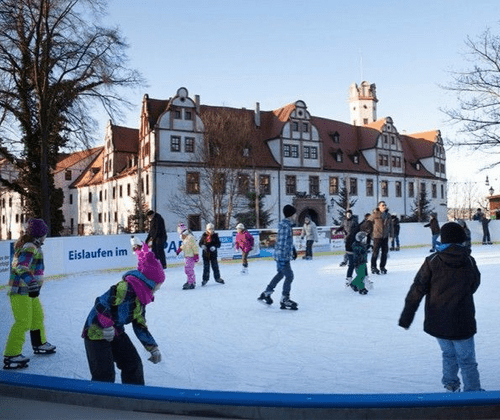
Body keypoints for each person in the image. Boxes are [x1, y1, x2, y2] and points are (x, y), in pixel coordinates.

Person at [398, 222, 483, 392]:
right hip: (463, 320)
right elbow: (474, 284)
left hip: (438, 319)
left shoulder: (432, 261)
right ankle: (473, 393)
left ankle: (451, 385)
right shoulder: (468, 260)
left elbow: (417, 289)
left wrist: (406, 317)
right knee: (467, 360)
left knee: (448, 354)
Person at [82, 243, 164, 384]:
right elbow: (101, 303)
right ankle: (101, 397)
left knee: (133, 364)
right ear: (148, 282)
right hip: (96, 331)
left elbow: (139, 324)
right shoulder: (124, 289)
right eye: (157, 285)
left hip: (116, 331)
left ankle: (134, 394)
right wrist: (106, 325)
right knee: (104, 374)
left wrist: (152, 347)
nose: (158, 288)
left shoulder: (141, 298)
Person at [3, 219, 56, 369]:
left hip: (29, 290)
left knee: (37, 317)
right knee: (23, 321)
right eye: (44, 233)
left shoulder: (33, 246)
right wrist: (31, 282)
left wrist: (33, 286)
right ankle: (11, 354)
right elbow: (20, 267)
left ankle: (39, 344)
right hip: (20, 290)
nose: (46, 236)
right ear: (40, 235)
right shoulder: (30, 247)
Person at [258, 205, 298, 310]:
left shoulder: (286, 225)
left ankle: (266, 293)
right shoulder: (285, 226)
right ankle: (285, 299)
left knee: (281, 274)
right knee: (289, 276)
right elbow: (282, 243)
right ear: (291, 214)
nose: (296, 215)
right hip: (282, 256)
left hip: (281, 255)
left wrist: (293, 249)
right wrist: (285, 256)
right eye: (295, 213)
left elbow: (286, 241)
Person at [369, 201, 392, 274]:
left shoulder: (388, 215)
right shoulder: (375, 214)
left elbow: (391, 226)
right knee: (375, 252)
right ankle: (373, 267)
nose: (384, 206)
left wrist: (391, 235)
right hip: (377, 237)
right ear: (379, 207)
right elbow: (368, 223)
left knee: (384, 253)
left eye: (385, 205)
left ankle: (382, 266)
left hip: (385, 237)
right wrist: (370, 234)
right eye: (382, 205)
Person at [176, 223, 199, 290]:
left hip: (191, 256)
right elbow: (184, 245)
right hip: (187, 256)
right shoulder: (186, 238)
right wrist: (179, 249)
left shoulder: (190, 237)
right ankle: (190, 281)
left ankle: (191, 283)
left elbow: (195, 247)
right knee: (187, 270)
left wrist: (196, 255)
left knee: (189, 270)